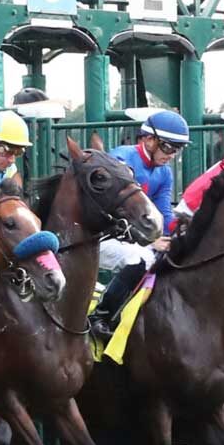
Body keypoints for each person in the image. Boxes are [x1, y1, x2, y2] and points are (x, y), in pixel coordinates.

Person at [89, 109, 189, 327]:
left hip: (131, 237)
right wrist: (151, 240)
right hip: (100, 236)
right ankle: (101, 317)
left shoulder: (164, 173)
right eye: (168, 147)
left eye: (176, 149)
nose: (171, 154)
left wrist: (184, 234)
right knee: (141, 259)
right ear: (149, 139)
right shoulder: (122, 159)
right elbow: (112, 215)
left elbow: (164, 215)